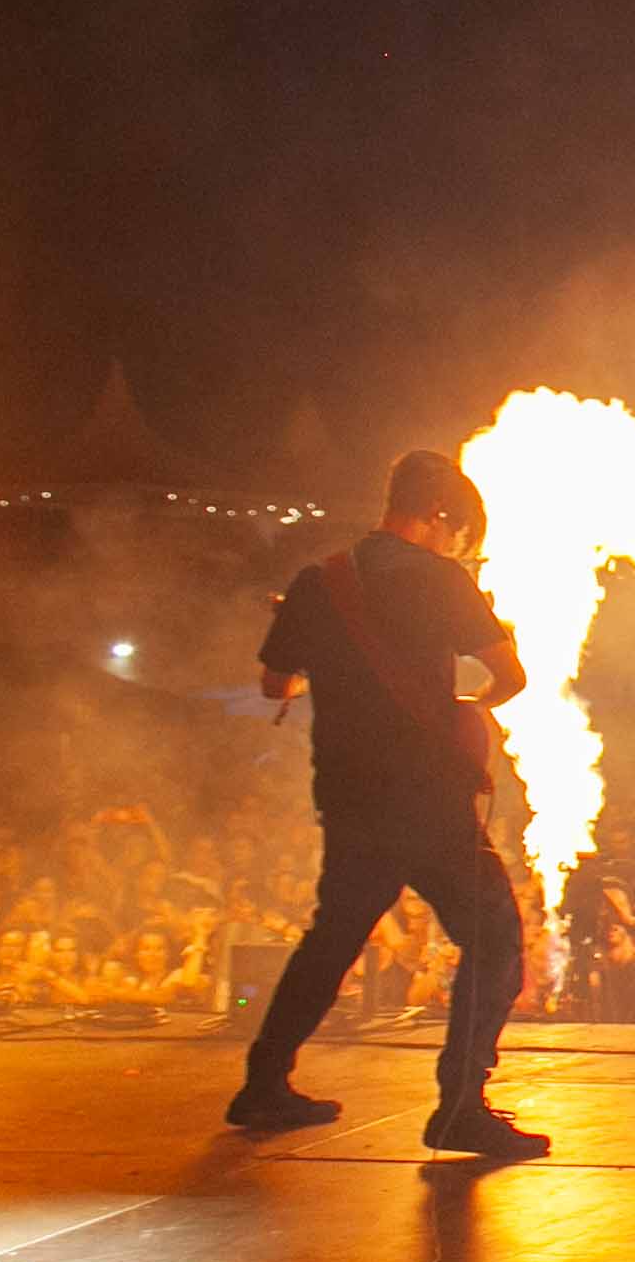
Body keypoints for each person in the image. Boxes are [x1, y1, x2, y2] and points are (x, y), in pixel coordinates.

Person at [226, 448, 548, 1157]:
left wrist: (339, 688)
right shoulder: (440, 580)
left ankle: (262, 1084)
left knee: (332, 940)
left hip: (349, 796)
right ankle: (460, 1106)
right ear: (439, 517)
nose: (456, 543)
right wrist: (466, 707)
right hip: (429, 801)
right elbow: (510, 676)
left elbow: (274, 687)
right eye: (456, 531)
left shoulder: (319, 582)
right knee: (492, 939)